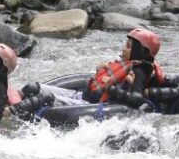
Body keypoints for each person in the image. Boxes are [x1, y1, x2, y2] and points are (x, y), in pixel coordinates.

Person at [14, 29, 165, 114]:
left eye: (129, 46)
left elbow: (136, 99)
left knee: (44, 97)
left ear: (142, 51)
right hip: (83, 96)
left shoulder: (139, 71)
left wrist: (111, 88)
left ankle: (10, 112)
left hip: (90, 104)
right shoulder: (124, 63)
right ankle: (12, 99)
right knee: (33, 87)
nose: (123, 49)